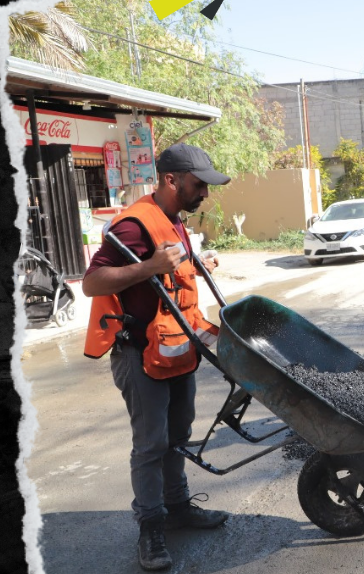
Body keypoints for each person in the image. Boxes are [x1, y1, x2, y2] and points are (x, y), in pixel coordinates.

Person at [82, 143, 232, 572]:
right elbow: (92, 282)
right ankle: (150, 528)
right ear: (171, 180)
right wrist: (148, 267)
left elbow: (169, 271)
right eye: (198, 184)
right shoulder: (131, 225)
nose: (204, 192)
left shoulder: (174, 220)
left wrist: (196, 263)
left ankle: (178, 508)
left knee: (177, 435)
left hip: (176, 349)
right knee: (150, 445)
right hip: (139, 353)